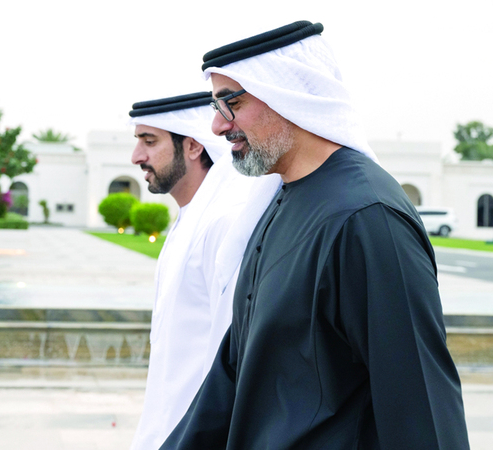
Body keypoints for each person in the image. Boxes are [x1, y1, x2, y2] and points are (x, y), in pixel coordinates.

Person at [161, 21, 470, 449]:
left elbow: (420, 404)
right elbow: (233, 373)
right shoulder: (280, 202)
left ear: (289, 94)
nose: (216, 125)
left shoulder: (367, 219)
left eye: (231, 103)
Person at [128, 92, 255, 450]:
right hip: (166, 431)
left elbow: (232, 357)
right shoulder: (190, 217)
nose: (136, 156)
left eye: (149, 141)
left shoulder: (224, 222)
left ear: (194, 146)